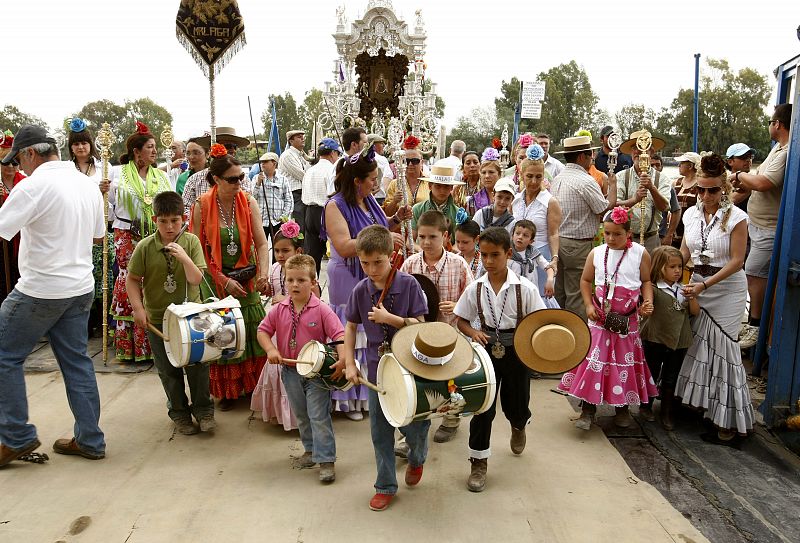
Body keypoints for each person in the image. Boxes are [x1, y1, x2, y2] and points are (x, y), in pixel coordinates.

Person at [0, 125, 106, 465]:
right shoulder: (86, 184)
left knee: (4, 356)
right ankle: (90, 438)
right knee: (76, 361)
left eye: (19, 160)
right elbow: (97, 236)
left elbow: (2, 231)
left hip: (41, 289)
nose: (18, 167)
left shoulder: (32, 186)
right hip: (79, 287)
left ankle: (16, 436)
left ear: (31, 153)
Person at [338, 225, 429, 511]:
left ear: (392, 255)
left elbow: (421, 325)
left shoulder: (409, 284)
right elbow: (350, 327)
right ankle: (386, 485)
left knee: (414, 426)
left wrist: (391, 318)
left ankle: (417, 458)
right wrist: (350, 362)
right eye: (365, 263)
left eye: (378, 261)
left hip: (409, 369)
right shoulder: (360, 289)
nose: (371, 269)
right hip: (378, 370)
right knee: (379, 429)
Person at [322, 146, 412, 420]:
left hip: (370, 271)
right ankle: (349, 399)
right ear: (356, 181)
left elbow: (383, 223)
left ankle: (370, 393)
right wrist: (383, 235)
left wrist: (396, 220)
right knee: (353, 329)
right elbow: (344, 245)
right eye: (372, 179)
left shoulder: (369, 199)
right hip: (348, 273)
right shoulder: (335, 205)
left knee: (371, 331)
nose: (376, 183)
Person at [454, 226, 546, 492]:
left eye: (495, 255)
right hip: (486, 354)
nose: (489, 261)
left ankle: (519, 425)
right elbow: (460, 319)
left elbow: (539, 323)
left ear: (508, 254)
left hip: (517, 352)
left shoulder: (525, 288)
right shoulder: (475, 288)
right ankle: (478, 462)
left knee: (515, 404)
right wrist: (473, 332)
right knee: (483, 408)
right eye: (484, 255)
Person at [676, 153, 754, 446]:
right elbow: (685, 253)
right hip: (697, 284)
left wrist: (704, 284)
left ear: (724, 188)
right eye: (701, 189)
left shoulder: (737, 217)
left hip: (727, 288)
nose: (706, 195)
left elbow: (737, 261)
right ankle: (704, 407)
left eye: (713, 190)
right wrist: (664, 271)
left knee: (724, 350)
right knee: (699, 345)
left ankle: (729, 420)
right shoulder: (690, 215)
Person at [558, 207, 658, 430]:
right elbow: (585, 281)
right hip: (599, 319)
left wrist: (647, 301)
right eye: (608, 233)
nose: (611, 238)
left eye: (617, 234)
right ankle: (587, 409)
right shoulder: (597, 252)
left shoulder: (640, 254)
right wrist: (587, 304)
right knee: (595, 361)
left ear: (628, 234)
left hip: (627, 321)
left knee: (623, 365)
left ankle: (621, 409)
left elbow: (646, 282)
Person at [126, 191, 214, 435]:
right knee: (168, 370)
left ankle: (204, 411)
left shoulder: (191, 242)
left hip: (191, 319)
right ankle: (179, 413)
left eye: (175, 220)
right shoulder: (145, 247)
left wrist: (184, 258)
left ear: (183, 218)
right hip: (158, 320)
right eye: (163, 221)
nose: (169, 226)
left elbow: (196, 279)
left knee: (197, 366)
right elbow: (132, 280)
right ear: (155, 220)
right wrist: (138, 308)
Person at [190, 151, 271, 410]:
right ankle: (227, 392)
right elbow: (198, 250)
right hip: (215, 280)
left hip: (246, 278)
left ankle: (253, 388)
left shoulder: (248, 201)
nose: (239, 183)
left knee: (251, 330)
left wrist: (263, 275)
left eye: (241, 177)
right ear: (216, 179)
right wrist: (222, 280)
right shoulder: (201, 205)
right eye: (232, 179)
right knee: (222, 332)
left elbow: (261, 244)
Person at [258, 254, 345, 483]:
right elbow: (262, 331)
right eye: (290, 280)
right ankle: (310, 450)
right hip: (289, 371)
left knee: (318, 415)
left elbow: (340, 336)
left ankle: (326, 459)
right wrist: (270, 350)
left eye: (301, 280)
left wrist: (343, 360)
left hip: (316, 374)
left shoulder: (322, 309)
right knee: (302, 415)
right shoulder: (279, 309)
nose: (294, 285)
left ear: (313, 282)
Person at [401, 210, 474, 443]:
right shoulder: (410, 264)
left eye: (431, 237)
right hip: (418, 333)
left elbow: (472, 298)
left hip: (451, 333)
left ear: (444, 236)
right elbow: (399, 297)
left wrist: (457, 305)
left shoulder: (458, 263)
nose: (425, 242)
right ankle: (410, 428)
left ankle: (451, 419)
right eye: (421, 237)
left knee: (452, 378)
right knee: (415, 379)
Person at [109, 122, 173, 363]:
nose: (154, 151)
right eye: (150, 147)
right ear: (137, 151)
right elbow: (109, 208)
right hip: (126, 232)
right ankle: (132, 346)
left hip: (154, 233)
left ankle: (156, 343)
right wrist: (103, 192)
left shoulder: (162, 176)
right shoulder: (117, 173)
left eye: (156, 147)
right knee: (129, 277)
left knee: (154, 277)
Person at [731, 104, 792, 350]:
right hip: (758, 225)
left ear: (777, 124)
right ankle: (757, 324)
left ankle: (756, 326)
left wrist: (738, 176)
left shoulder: (787, 152)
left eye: (770, 121)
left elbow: (764, 181)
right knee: (753, 273)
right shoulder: (777, 149)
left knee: (754, 273)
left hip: (770, 228)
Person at [251, 222, 316, 430]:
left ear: (298, 251)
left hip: (299, 325)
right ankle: (281, 414)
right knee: (277, 368)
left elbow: (315, 296)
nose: (280, 255)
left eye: (285, 250)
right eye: (277, 250)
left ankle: (301, 418)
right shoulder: (274, 269)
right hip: (278, 323)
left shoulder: (305, 269)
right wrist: (266, 288)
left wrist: (285, 298)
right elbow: (272, 291)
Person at [550, 135, 618, 319]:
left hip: (558, 242)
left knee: (560, 291)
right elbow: (604, 209)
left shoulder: (558, 177)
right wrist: (613, 185)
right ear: (582, 157)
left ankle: (558, 331)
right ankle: (576, 338)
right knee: (577, 295)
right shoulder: (586, 181)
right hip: (578, 245)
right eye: (590, 155)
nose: (592, 159)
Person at [639, 246, 698, 430]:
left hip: (679, 340)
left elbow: (695, 312)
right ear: (659, 267)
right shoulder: (654, 290)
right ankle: (645, 406)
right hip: (655, 338)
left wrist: (692, 297)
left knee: (671, 376)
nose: (677, 271)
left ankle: (666, 411)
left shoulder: (683, 289)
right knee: (651, 372)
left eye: (679, 267)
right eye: (672, 267)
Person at [66, 119, 114, 338]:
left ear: (91, 144)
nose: (80, 147)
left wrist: (105, 190)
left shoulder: (105, 166)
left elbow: (114, 197)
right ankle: (83, 321)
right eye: (76, 144)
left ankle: (104, 320)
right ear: (71, 147)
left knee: (103, 274)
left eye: (84, 142)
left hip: (101, 224)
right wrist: (95, 188)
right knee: (80, 273)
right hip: (77, 227)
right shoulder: (67, 170)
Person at [511, 144, 562, 293]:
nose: (534, 181)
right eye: (529, 176)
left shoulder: (550, 202)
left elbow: (553, 233)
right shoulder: (516, 200)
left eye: (538, 176)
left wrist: (554, 258)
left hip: (541, 256)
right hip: (517, 257)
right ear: (522, 175)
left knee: (539, 297)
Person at [615, 130, 671, 254]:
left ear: (651, 152)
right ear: (631, 152)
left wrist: (652, 188)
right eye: (635, 147)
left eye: (643, 147)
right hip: (625, 239)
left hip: (651, 239)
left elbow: (665, 207)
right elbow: (613, 205)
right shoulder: (621, 176)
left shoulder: (661, 178)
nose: (638, 152)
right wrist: (634, 200)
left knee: (651, 273)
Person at [182, 128, 253, 215]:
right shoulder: (194, 180)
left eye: (234, 146)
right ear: (213, 149)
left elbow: (249, 208)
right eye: (227, 146)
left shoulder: (244, 179)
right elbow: (186, 210)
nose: (232, 150)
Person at [302, 138, 341, 273]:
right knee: (335, 253)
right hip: (325, 212)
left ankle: (312, 285)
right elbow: (334, 194)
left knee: (312, 256)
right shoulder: (332, 170)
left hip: (309, 213)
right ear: (332, 153)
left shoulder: (310, 170)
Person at [0, 130, 25, 302]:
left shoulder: (25, 182)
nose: (10, 167)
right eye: (6, 162)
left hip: (21, 240)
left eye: (14, 163)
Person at [509, 220, 558, 308]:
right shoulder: (506, 253)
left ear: (531, 241)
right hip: (511, 296)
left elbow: (548, 267)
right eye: (517, 233)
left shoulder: (533, 254)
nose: (520, 237)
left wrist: (550, 280)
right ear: (512, 236)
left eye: (525, 235)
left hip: (531, 296)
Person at [411, 165, 464, 241]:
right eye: (438, 186)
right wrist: (423, 251)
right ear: (430, 186)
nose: (442, 191)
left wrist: (447, 252)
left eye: (446, 186)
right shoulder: (417, 209)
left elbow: (460, 242)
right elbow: (411, 241)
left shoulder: (459, 213)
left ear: (451, 188)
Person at [253, 151, 293, 242]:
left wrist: (284, 217)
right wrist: (258, 184)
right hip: (261, 222)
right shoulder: (256, 178)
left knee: (278, 249)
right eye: (261, 162)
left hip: (278, 222)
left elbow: (289, 200)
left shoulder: (283, 180)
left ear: (274, 163)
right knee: (260, 248)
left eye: (265, 162)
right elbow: (252, 198)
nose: (262, 164)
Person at [277, 129, 310, 232]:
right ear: (291, 141)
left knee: (304, 224)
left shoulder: (300, 155)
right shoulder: (288, 155)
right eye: (299, 137)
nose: (302, 139)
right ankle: (299, 247)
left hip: (302, 193)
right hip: (294, 194)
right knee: (299, 225)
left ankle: (303, 246)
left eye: (303, 136)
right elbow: (302, 175)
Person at [383, 147, 429, 217]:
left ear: (422, 162)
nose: (410, 164)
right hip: (401, 227)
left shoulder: (430, 183)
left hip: (425, 226)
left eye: (415, 161)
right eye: (406, 161)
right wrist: (394, 201)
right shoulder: (394, 184)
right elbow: (387, 214)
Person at [669, 152, 701, 250]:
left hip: (692, 231)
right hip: (674, 231)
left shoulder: (700, 185)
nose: (679, 166)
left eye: (681, 163)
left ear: (690, 166)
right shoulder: (676, 183)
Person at [327, 127, 367, 196]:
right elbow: (334, 194)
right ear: (354, 144)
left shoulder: (360, 163)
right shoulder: (341, 165)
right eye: (365, 142)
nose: (367, 145)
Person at [468, 149, 502, 214]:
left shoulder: (507, 196)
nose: (487, 176)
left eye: (491, 172)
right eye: (483, 172)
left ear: (499, 174)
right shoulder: (473, 200)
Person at [725, 143, 755, 212]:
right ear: (730, 162)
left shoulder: (755, 181)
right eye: (743, 157)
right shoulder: (723, 184)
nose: (748, 160)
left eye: (750, 156)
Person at [369, 134, 392, 204]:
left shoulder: (361, 158)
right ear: (374, 146)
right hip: (379, 198)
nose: (383, 146)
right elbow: (387, 177)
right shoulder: (381, 159)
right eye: (381, 143)